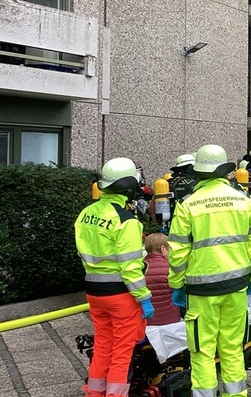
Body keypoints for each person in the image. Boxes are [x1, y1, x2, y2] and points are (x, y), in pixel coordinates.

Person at [168, 144, 251, 397]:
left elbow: (178, 252)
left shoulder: (188, 204)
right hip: (237, 286)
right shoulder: (244, 200)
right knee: (232, 349)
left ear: (199, 171)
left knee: (202, 352)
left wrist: (177, 285)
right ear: (224, 171)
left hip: (201, 291)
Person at [75, 157, 154, 397]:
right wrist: (144, 298)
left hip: (94, 292)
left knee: (102, 346)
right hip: (121, 295)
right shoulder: (126, 220)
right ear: (128, 186)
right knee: (122, 351)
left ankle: (94, 392)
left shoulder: (86, 214)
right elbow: (130, 267)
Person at [144, 233, 181, 326]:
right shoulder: (171, 267)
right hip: (171, 320)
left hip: (147, 321)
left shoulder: (140, 267)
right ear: (163, 249)